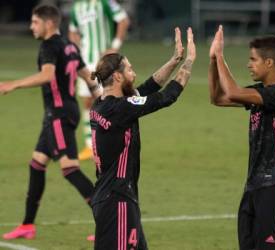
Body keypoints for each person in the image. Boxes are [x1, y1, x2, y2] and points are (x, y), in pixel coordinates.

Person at [0, 5, 102, 240]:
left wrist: (13, 85)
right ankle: (27, 225)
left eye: (35, 22)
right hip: (65, 112)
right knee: (37, 164)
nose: (31, 27)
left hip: (58, 115)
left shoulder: (49, 46)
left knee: (70, 169)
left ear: (48, 23)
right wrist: (103, 101)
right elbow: (89, 77)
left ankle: (112, 221)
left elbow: (47, 76)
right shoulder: (70, 45)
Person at [89, 27, 196, 249]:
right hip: (116, 201)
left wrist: (174, 59)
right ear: (117, 76)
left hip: (112, 197)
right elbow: (165, 97)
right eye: (129, 69)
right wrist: (189, 63)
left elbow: (147, 89)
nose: (133, 72)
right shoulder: (121, 109)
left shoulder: (103, 104)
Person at [209, 25, 275, 250]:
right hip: (254, 187)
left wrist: (221, 57)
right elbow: (218, 98)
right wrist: (212, 60)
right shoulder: (261, 93)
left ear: (269, 63)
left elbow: (232, 92)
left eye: (253, 59)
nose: (249, 64)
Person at [69, 0, 130, 161]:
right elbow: (73, 31)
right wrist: (76, 48)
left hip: (105, 61)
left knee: (111, 100)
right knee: (88, 102)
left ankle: (119, 141)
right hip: (85, 63)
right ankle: (90, 146)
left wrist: (115, 46)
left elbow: (123, 20)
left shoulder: (105, 2)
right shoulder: (77, 7)